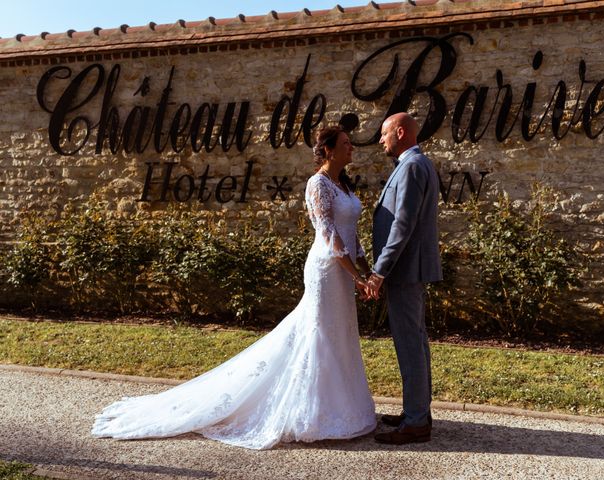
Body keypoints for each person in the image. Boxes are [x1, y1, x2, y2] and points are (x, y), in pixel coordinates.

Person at [91, 126, 377, 449]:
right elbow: (328, 234)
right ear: (327, 150)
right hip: (327, 271)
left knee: (341, 334)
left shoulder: (345, 185)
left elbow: (352, 237)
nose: (352, 148)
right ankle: (312, 414)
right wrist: (356, 276)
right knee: (320, 334)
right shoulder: (318, 185)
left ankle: (344, 409)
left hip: (345, 272)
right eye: (345, 144)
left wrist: (367, 272)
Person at [366, 112, 443, 445]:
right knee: (417, 341)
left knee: (410, 344)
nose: (381, 140)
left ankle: (415, 422)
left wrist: (379, 270)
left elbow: (403, 224)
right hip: (411, 269)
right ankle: (417, 412)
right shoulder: (415, 164)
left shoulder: (411, 166)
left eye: (384, 134)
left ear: (400, 132)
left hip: (405, 269)